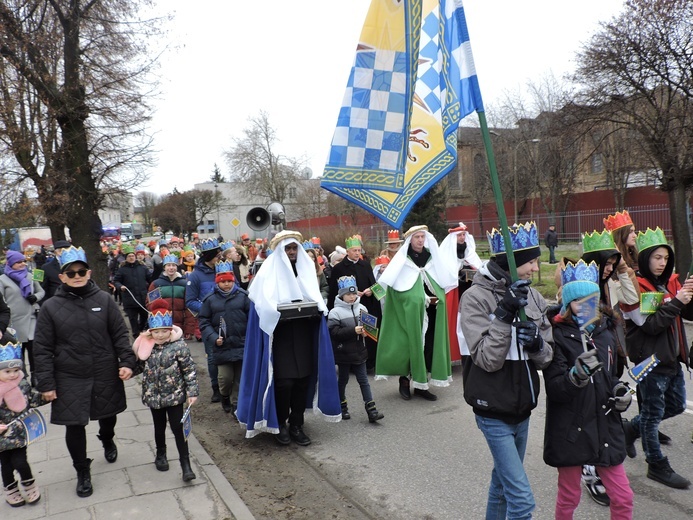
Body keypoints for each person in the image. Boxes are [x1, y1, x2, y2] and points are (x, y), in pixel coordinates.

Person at [459, 222, 553, 520]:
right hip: (492, 411)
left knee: (501, 484)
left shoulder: (534, 298)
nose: (535, 269)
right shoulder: (474, 298)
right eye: (530, 262)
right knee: (522, 502)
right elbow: (487, 359)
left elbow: (548, 358)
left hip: (523, 408)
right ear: (509, 263)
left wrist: (537, 344)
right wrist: (503, 315)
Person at [33, 246, 135, 498]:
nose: (77, 275)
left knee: (108, 415)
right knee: (74, 424)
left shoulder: (104, 300)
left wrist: (127, 362)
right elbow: (42, 347)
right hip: (69, 374)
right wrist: (46, 383)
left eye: (81, 271)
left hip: (103, 369)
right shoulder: (50, 307)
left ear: (88, 273)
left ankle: (107, 437)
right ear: (62, 276)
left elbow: (119, 333)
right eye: (71, 272)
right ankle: (82, 470)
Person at [544, 260, 634, 519]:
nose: (586, 306)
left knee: (624, 497)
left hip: (605, 424)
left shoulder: (606, 330)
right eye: (578, 300)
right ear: (568, 303)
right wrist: (576, 376)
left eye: (592, 298)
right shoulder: (557, 335)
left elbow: (610, 377)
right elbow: (556, 389)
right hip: (572, 427)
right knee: (569, 496)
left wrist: (620, 394)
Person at [236, 230, 341, 446]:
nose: (292, 252)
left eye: (294, 248)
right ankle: (280, 422)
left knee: (303, 381)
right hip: (279, 338)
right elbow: (259, 304)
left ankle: (296, 424)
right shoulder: (268, 272)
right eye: (288, 249)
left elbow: (315, 300)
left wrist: (316, 312)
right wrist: (276, 315)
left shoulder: (305, 272)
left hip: (302, 335)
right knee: (284, 383)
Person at [620, 227, 693, 489]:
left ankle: (629, 429)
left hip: (673, 360)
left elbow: (686, 315)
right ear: (646, 258)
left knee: (674, 406)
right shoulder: (638, 286)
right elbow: (651, 325)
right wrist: (677, 302)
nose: (662, 263)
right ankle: (656, 465)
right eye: (656, 258)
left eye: (665, 258)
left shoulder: (671, 281)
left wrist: (688, 297)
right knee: (652, 416)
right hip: (650, 362)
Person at [376, 225, 457, 401]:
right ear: (410, 240)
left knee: (428, 345)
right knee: (409, 344)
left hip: (432, 310)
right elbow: (392, 284)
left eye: (422, 236)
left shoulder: (430, 256)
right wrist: (415, 299)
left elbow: (438, 280)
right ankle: (404, 381)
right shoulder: (403, 258)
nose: (420, 240)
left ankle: (422, 383)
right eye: (416, 237)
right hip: (409, 312)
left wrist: (434, 298)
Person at [133, 299, 199, 481]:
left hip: (175, 395)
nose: (160, 335)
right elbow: (139, 366)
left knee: (178, 429)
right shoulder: (147, 346)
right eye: (156, 332)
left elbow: (189, 370)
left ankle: (185, 464)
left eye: (164, 331)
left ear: (170, 330)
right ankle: (161, 453)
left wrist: (192, 392)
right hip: (154, 396)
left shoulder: (178, 346)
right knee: (159, 426)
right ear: (151, 331)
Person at [328, 275, 383, 423]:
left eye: (353, 293)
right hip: (343, 352)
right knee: (343, 379)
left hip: (359, 351)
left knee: (363, 380)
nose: (352, 297)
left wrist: (367, 332)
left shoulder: (362, 308)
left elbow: (368, 328)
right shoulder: (335, 312)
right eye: (348, 294)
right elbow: (334, 333)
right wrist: (354, 330)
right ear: (341, 295)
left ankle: (371, 410)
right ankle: (342, 406)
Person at [0, 334, 47, 507]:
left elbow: (32, 400)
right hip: (1, 436)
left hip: (19, 433)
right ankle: (10, 489)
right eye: (7, 371)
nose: (12, 375)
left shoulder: (22, 384)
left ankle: (29, 483)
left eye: (15, 370)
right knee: (5, 465)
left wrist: (47, 396)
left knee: (20, 461)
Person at [198, 261, 250, 416]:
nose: (226, 284)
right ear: (217, 282)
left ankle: (236, 406)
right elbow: (204, 321)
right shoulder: (210, 299)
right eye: (223, 282)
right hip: (222, 346)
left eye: (229, 281)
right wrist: (214, 337)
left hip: (241, 344)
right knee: (225, 378)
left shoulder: (243, 297)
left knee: (240, 379)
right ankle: (224, 395)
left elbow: (252, 318)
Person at [328, 236, 380, 369]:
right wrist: (349, 293)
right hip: (348, 308)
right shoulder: (339, 268)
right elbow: (334, 290)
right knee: (352, 333)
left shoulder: (366, 265)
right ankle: (350, 363)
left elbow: (376, 286)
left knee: (367, 333)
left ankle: (370, 361)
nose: (357, 253)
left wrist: (371, 290)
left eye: (359, 250)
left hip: (367, 304)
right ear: (347, 251)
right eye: (354, 250)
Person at [439, 223, 484, 366]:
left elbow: (479, 268)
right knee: (453, 324)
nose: (462, 238)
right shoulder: (445, 255)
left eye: (464, 235)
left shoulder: (470, 253)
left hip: (470, 295)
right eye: (459, 235)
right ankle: (452, 354)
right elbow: (445, 274)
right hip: (454, 295)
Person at [185, 238, 222, 402]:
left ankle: (230, 388)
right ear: (209, 256)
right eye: (216, 255)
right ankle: (216, 389)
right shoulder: (195, 276)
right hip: (209, 323)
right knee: (213, 356)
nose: (219, 258)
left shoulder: (222, 271)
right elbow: (190, 301)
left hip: (228, 320)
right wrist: (209, 308)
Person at [0, 250, 45, 384]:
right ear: (11, 263)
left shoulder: (30, 276)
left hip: (31, 318)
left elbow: (41, 291)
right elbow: (1, 300)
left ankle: (36, 377)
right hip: (13, 322)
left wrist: (35, 297)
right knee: (18, 351)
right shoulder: (2, 279)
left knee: (34, 350)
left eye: (24, 261)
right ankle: (22, 378)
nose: (22, 264)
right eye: (19, 262)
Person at [114, 244, 152, 339]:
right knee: (132, 319)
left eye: (132, 256)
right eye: (129, 256)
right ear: (126, 258)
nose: (131, 258)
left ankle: (142, 330)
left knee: (144, 316)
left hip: (142, 298)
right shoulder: (122, 269)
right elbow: (116, 281)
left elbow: (150, 279)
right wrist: (120, 286)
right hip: (129, 299)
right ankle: (136, 335)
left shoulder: (142, 267)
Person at [147, 254, 189, 337]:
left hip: (180, 325)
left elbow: (189, 307)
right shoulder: (156, 284)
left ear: (177, 267)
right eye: (168, 265)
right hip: (162, 326)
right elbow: (151, 305)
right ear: (164, 267)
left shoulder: (184, 284)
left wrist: (189, 329)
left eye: (174, 265)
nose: (171, 268)